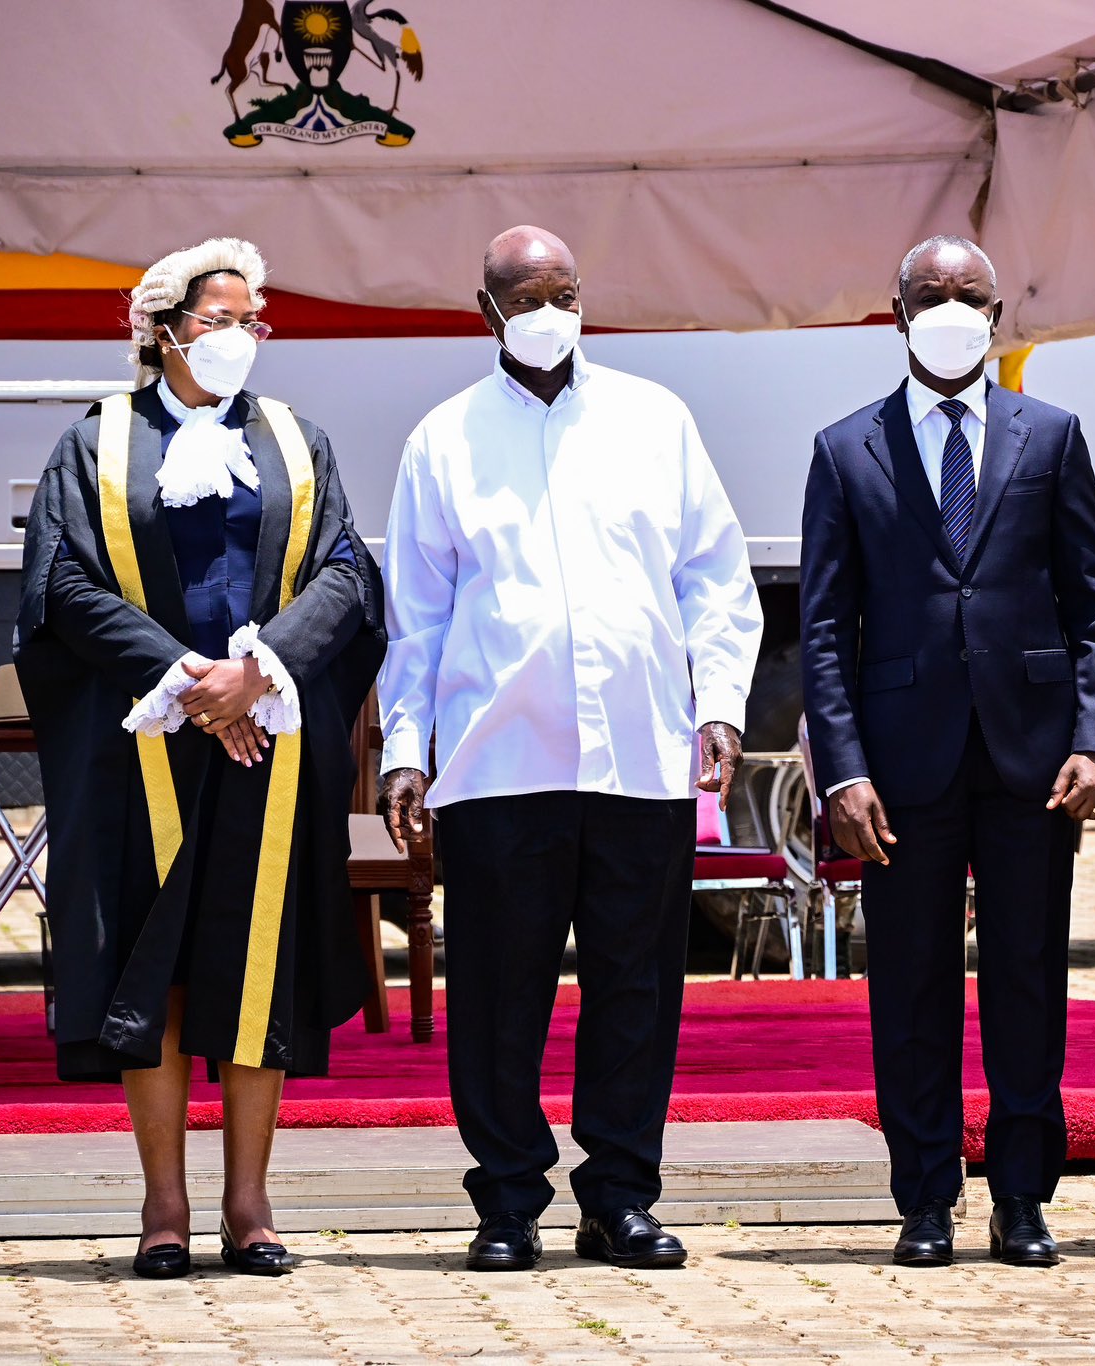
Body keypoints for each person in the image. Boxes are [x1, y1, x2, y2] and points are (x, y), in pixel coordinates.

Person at [378, 226, 762, 1273]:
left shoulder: (654, 418)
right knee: (501, 994)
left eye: (564, 289)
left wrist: (718, 703)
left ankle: (620, 1195)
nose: (548, 308)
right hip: (500, 766)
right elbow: (413, 619)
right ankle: (506, 1199)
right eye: (525, 293)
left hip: (640, 757)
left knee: (636, 988)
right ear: (485, 310)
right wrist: (404, 749)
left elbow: (715, 580)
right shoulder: (442, 440)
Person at [14, 237, 384, 1279]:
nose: (241, 337)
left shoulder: (296, 443)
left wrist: (257, 673)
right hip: (143, 742)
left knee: (256, 965)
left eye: (252, 320)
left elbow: (347, 574)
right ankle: (164, 1207)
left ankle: (251, 1206)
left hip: (264, 738)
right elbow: (65, 585)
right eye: (223, 317)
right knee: (156, 965)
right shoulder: (96, 444)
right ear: (165, 328)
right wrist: (187, 679)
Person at [800, 235, 1095, 1267]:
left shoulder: (1053, 435)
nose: (951, 309)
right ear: (894, 313)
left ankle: (1023, 1196)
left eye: (969, 295)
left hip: (1032, 762)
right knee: (909, 985)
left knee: (1027, 979)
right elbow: (820, 628)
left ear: (999, 313)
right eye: (930, 295)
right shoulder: (844, 448)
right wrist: (841, 771)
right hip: (899, 767)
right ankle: (925, 1195)